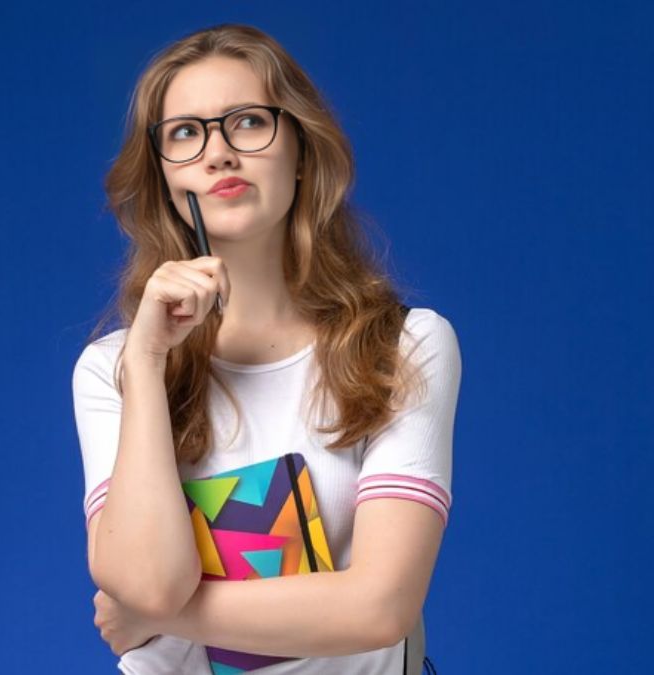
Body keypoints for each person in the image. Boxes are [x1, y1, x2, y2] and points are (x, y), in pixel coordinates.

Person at [72, 24, 460, 674]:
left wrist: (160, 616)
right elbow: (147, 582)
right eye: (186, 133)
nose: (219, 153)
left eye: (248, 122)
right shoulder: (111, 369)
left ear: (302, 150)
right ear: (164, 175)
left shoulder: (403, 345)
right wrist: (145, 365)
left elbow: (381, 606)